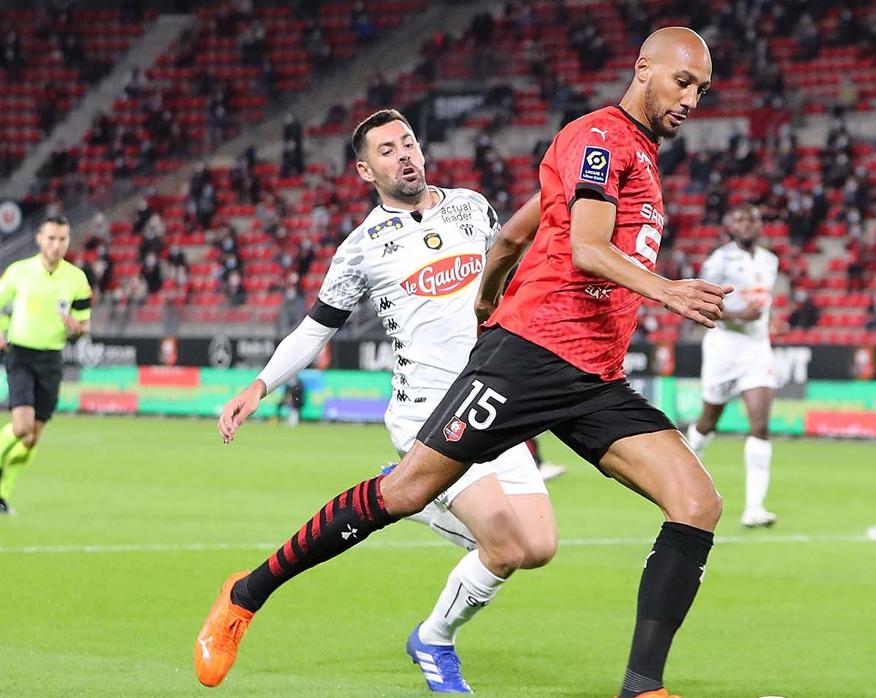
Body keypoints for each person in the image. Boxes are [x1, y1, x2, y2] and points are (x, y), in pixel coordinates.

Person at [196, 28, 724, 698]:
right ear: (644, 68)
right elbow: (587, 248)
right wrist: (669, 290)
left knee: (694, 503)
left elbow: (513, 234)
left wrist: (483, 303)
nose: (693, 99)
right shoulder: (599, 136)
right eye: (684, 82)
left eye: (702, 89)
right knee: (405, 492)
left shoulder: (584, 172)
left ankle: (642, 688)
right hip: (526, 359)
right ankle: (246, 594)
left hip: (589, 374)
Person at [211, 109, 555, 693]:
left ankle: (412, 492)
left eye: (410, 142)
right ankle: (435, 639)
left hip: (491, 401)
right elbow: (317, 328)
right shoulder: (360, 248)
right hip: (429, 412)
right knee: (502, 546)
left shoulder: (473, 207)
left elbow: (510, 281)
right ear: (365, 170)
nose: (405, 155)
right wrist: (259, 384)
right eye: (389, 150)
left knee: (537, 548)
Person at [684, 204, 781, 528]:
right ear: (730, 225)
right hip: (724, 349)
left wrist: (770, 320)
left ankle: (754, 508)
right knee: (708, 421)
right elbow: (701, 303)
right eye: (740, 219)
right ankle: (682, 475)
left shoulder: (770, 260)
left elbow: (764, 303)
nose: (747, 224)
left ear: (759, 224)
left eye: (752, 219)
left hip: (757, 350)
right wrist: (739, 316)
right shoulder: (718, 260)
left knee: (760, 425)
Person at [0, 216, 92, 514]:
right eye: (51, 238)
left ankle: (3, 492)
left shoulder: (76, 278)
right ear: (40, 239)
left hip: (51, 358)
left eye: (62, 239)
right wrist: (2, 329)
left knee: (31, 438)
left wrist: (75, 327)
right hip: (21, 354)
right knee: (21, 426)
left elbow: (85, 324)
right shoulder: (19, 272)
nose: (57, 245)